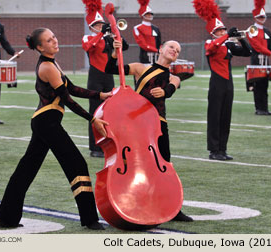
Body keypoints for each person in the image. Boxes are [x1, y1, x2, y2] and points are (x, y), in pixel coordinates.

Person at [0, 27, 111, 230]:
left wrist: (100, 96)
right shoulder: (47, 67)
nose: (54, 41)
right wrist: (93, 119)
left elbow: (72, 88)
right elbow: (67, 99)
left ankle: (5, 218)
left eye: (54, 36)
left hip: (46, 122)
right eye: (49, 40)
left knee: (26, 170)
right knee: (76, 164)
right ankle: (90, 220)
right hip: (46, 123)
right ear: (40, 47)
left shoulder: (52, 63)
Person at [105, 39, 193, 222]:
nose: (174, 51)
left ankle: (173, 209)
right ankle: (133, 202)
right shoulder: (141, 68)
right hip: (137, 124)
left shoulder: (173, 77)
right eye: (171, 47)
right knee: (136, 164)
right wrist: (115, 52)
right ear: (160, 49)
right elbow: (110, 69)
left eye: (177, 50)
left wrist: (165, 91)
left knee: (165, 164)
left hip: (159, 125)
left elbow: (172, 87)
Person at [193, 0, 252, 161]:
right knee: (214, 115)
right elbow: (210, 49)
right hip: (217, 83)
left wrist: (240, 38)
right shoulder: (210, 43)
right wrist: (226, 36)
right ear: (213, 32)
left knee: (226, 116)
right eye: (220, 30)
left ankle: (223, 149)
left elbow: (247, 52)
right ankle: (214, 150)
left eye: (224, 29)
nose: (223, 31)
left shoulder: (228, 45)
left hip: (228, 83)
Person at [82, 0, 129, 158]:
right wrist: (102, 33)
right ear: (91, 27)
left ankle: (108, 143)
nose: (100, 26)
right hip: (95, 78)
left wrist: (115, 31)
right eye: (97, 24)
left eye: (101, 24)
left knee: (108, 112)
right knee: (95, 113)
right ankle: (94, 147)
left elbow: (125, 46)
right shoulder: (87, 37)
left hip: (109, 77)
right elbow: (88, 48)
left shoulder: (108, 38)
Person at [246, 0, 271, 116]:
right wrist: (270, 54)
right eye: (260, 17)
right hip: (257, 60)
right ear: (255, 17)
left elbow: (269, 47)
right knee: (257, 84)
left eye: (263, 17)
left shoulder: (267, 30)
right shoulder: (252, 29)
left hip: (266, 60)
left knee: (265, 85)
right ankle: (259, 108)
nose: (262, 18)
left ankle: (265, 108)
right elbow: (257, 46)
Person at [133, 0, 161, 64]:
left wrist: (161, 50)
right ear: (143, 15)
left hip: (157, 56)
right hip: (145, 56)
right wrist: (156, 50)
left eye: (150, 14)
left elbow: (159, 42)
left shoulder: (156, 28)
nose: (149, 15)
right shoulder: (138, 28)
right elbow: (143, 44)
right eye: (147, 14)